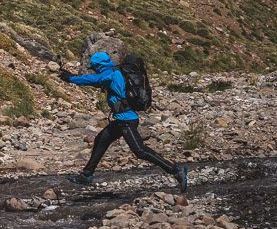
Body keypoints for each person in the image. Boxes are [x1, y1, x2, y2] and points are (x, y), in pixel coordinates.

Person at [59, 51, 188, 192]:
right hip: (121, 119)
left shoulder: (110, 74)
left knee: (139, 151)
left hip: (126, 120)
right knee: (101, 139)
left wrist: (71, 78)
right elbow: (96, 79)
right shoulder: (116, 71)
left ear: (98, 65)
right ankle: (86, 174)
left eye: (94, 66)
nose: (93, 69)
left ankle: (175, 171)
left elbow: (93, 80)